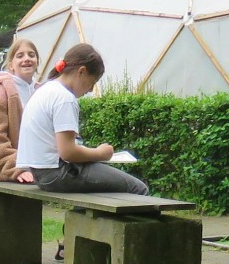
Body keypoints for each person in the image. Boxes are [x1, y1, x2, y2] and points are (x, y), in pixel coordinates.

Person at [16, 41, 147, 195]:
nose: (91, 89)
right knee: (139, 189)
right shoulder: (65, 98)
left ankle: (81, 219)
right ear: (82, 72)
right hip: (58, 174)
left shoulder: (45, 89)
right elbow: (67, 153)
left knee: (98, 195)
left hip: (40, 174)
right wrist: (100, 154)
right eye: (93, 82)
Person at [0, 36, 41, 180]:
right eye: (20, 56)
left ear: (37, 61)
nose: (27, 59)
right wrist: (17, 169)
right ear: (11, 65)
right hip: (2, 169)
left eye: (31, 55)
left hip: (34, 167)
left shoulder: (42, 92)